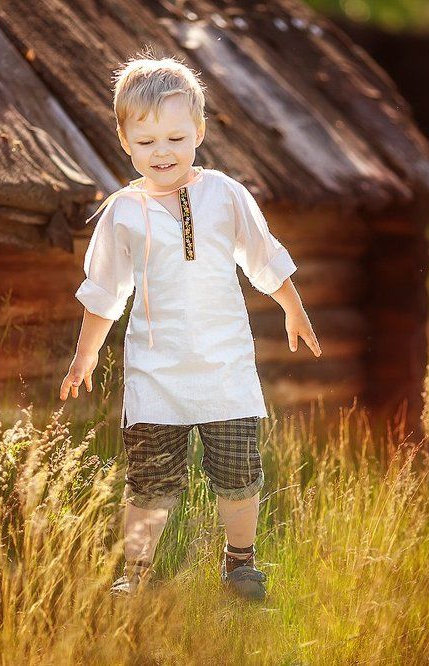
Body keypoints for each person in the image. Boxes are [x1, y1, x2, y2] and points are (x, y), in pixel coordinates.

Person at [59, 51, 321, 601]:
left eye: (176, 138)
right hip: (156, 372)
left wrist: (292, 307)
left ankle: (241, 565)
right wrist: (84, 357)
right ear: (125, 141)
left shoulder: (224, 194)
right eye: (148, 141)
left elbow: (263, 257)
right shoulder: (122, 212)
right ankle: (139, 574)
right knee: (151, 480)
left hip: (224, 368)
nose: (163, 153)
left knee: (237, 470)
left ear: (198, 132)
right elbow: (105, 292)